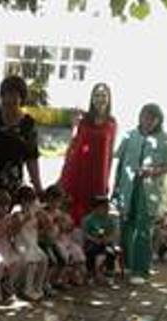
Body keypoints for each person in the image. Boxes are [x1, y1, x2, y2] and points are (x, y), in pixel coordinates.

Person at [112, 103, 167, 285]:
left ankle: (140, 270)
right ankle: (126, 265)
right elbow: (119, 161)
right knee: (126, 225)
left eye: (152, 118)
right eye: (144, 117)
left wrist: (153, 171)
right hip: (127, 187)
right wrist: (116, 187)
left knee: (143, 229)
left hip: (149, 191)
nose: (147, 121)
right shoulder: (130, 135)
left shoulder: (165, 140)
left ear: (158, 120)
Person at [60, 83, 117, 226]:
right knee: (73, 210)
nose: (100, 99)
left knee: (93, 211)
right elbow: (74, 146)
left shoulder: (112, 123)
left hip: (98, 173)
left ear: (109, 99)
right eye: (97, 95)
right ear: (92, 98)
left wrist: (107, 179)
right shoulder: (84, 121)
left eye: (103, 95)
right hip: (80, 170)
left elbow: (110, 153)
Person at [0, 76, 42, 197]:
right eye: (6, 94)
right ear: (1, 96)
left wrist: (38, 187)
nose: (9, 99)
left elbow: (31, 157)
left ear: (21, 99)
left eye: (14, 96)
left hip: (12, 182)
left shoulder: (27, 124)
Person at [12, 186, 48, 301]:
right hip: (21, 244)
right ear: (22, 201)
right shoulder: (17, 214)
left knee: (44, 259)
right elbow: (14, 232)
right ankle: (27, 289)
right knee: (31, 261)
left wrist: (43, 218)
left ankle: (38, 287)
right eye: (28, 201)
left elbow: (43, 228)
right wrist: (24, 220)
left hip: (32, 244)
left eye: (32, 201)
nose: (30, 204)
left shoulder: (35, 214)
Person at [0, 189, 22, 301]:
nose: (5, 209)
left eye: (7, 206)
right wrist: (4, 227)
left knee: (17, 262)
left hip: (7, 246)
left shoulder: (8, 217)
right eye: (1, 206)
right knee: (0, 265)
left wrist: (17, 224)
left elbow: (12, 234)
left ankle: (9, 285)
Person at [82, 196, 118, 284]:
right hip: (93, 242)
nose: (106, 209)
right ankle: (90, 274)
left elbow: (114, 233)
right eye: (103, 207)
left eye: (107, 207)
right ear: (96, 208)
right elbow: (85, 233)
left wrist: (108, 239)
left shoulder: (109, 219)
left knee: (111, 252)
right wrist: (94, 239)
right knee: (90, 251)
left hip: (106, 242)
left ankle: (109, 274)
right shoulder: (88, 219)